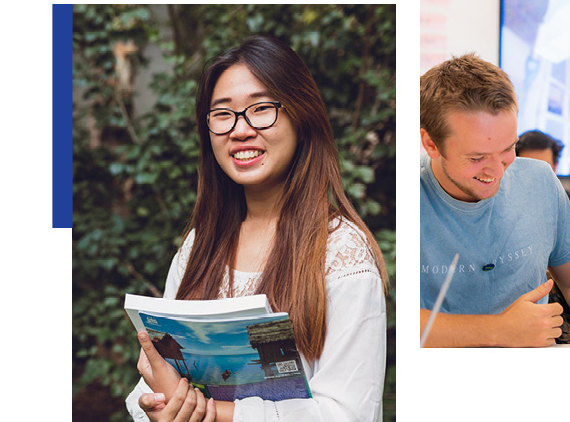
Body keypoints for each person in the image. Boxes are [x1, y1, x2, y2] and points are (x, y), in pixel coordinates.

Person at [125, 35, 389, 421]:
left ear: (302, 115)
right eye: (222, 113)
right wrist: (158, 405)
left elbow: (348, 413)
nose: (241, 129)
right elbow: (146, 392)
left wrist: (214, 413)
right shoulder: (199, 246)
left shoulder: (341, 252)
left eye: (261, 108)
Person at [419, 53, 570, 347]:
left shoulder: (539, 179)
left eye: (508, 149)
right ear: (431, 144)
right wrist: (497, 330)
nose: (497, 171)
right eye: (477, 158)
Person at [515, 130, 570, 212]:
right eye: (528, 168)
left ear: (555, 168)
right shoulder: (502, 204)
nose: (536, 176)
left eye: (544, 168)